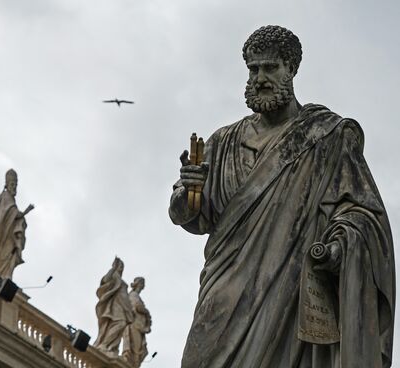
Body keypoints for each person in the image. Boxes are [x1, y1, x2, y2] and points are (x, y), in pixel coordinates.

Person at [169, 25, 394, 368]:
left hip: (289, 287)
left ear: (291, 69)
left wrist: (340, 244)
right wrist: (187, 195)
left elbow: (361, 210)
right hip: (223, 289)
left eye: (270, 67)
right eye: (253, 69)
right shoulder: (223, 142)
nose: (260, 78)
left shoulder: (327, 136)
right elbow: (194, 216)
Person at [0, 169, 33, 279]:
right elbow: (13, 213)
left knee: (12, 252)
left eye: (15, 185)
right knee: (6, 251)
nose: (14, 187)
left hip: (10, 233)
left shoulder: (10, 198)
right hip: (5, 233)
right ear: (6, 184)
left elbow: (14, 214)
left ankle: (6, 274)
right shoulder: (5, 196)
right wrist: (27, 210)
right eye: (12, 184)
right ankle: (0, 273)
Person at [93, 257, 134, 355]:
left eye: (122, 267)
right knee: (120, 323)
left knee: (119, 325)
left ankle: (110, 346)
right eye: (120, 266)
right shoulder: (114, 276)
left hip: (121, 306)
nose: (121, 268)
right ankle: (105, 344)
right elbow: (105, 280)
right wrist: (112, 269)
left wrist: (128, 308)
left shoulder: (120, 280)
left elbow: (124, 296)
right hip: (114, 306)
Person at [122, 277, 151, 367]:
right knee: (135, 350)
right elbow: (137, 306)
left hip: (139, 326)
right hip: (134, 325)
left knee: (137, 350)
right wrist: (147, 312)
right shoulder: (133, 295)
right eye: (143, 283)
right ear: (139, 284)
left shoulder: (135, 295)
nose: (144, 286)